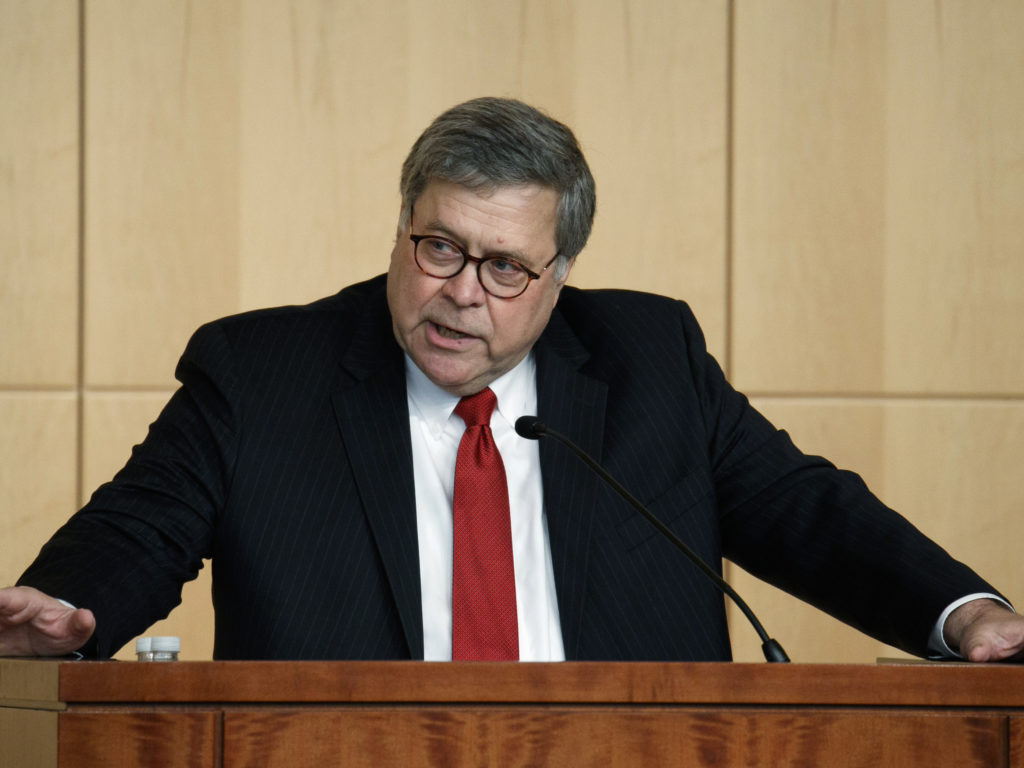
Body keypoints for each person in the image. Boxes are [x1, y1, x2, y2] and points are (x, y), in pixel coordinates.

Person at [2, 97, 1022, 663]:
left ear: (560, 275)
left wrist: (963, 613)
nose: (461, 295)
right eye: (438, 247)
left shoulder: (648, 363)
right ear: (401, 225)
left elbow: (806, 513)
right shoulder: (260, 376)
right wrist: (61, 607)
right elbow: (141, 527)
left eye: (505, 269)